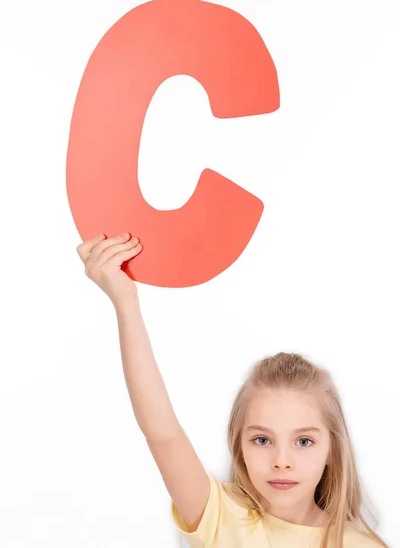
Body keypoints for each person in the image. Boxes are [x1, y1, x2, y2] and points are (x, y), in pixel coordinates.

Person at [76, 232, 389, 548]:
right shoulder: (222, 518)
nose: (282, 460)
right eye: (262, 440)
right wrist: (125, 303)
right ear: (240, 445)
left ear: (333, 450)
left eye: (304, 441)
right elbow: (163, 434)